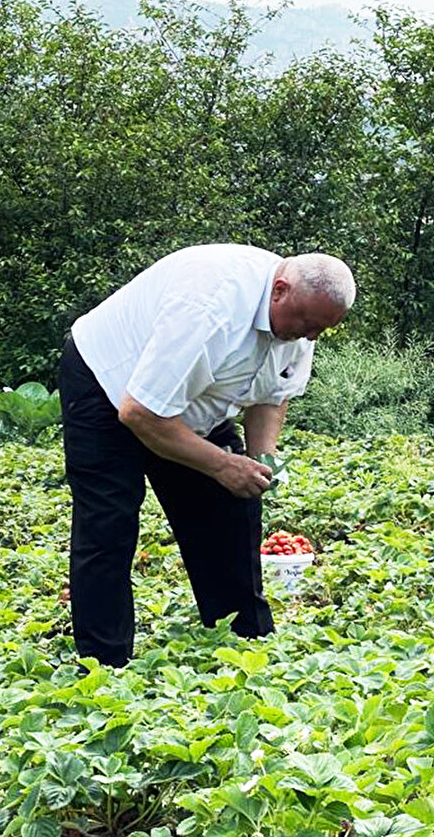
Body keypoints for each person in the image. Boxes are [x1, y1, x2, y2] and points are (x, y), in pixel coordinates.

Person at [58, 244, 355, 665]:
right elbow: (140, 412)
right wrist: (221, 464)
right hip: (108, 386)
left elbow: (273, 394)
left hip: (192, 401)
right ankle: (105, 664)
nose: (309, 337)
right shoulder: (208, 307)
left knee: (233, 505)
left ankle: (245, 641)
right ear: (280, 290)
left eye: (320, 331)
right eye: (306, 324)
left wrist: (260, 459)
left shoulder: (300, 319)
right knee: (109, 521)